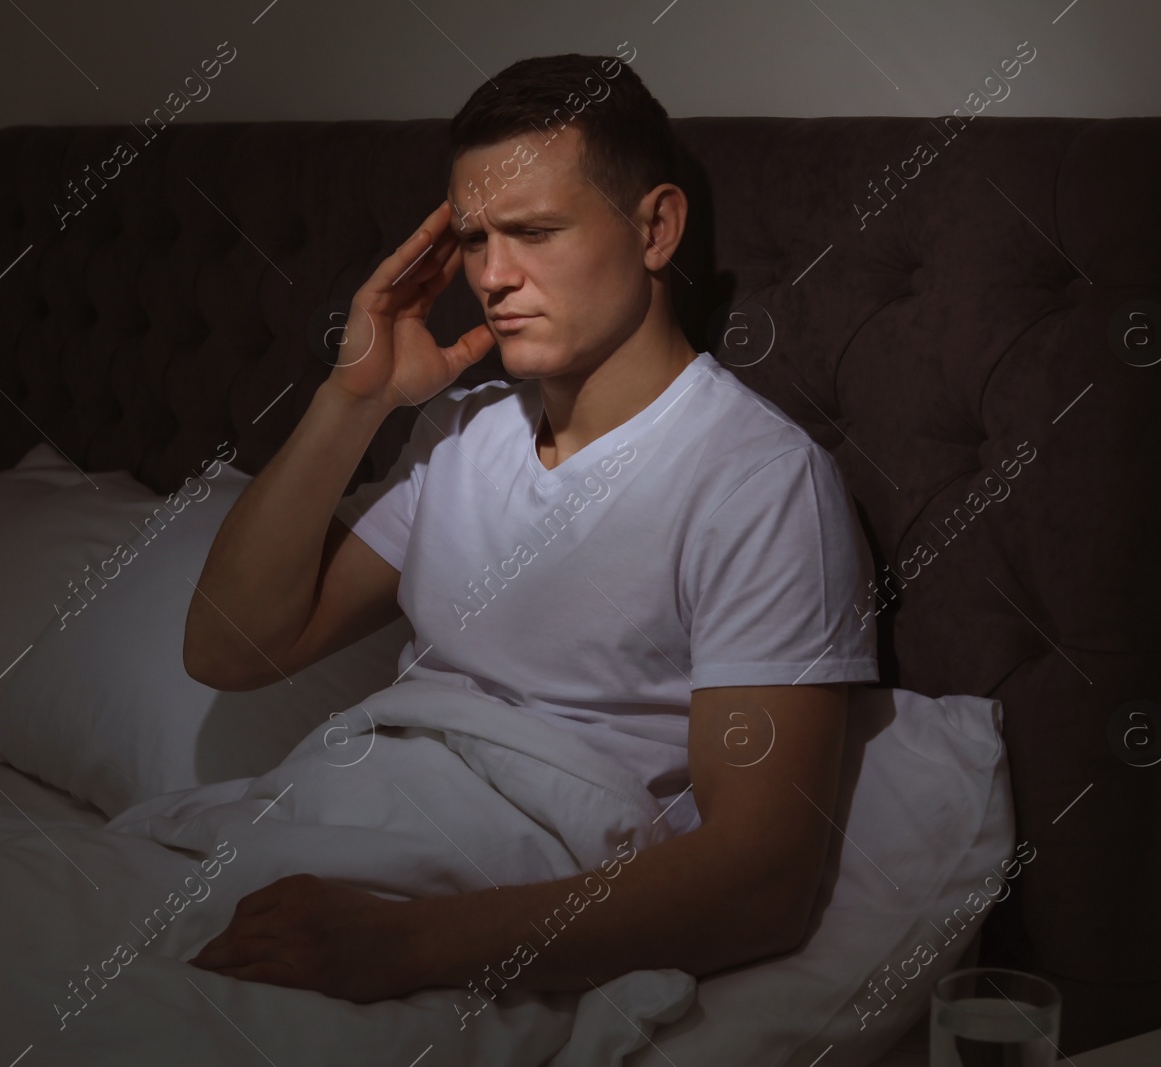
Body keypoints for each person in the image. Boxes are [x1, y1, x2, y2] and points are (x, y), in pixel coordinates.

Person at [179, 52, 879, 1006]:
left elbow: (762, 883)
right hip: (337, 818)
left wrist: (398, 944)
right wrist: (352, 401)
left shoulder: (757, 483)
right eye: (472, 240)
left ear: (656, 228)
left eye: (535, 232)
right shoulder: (459, 433)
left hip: (473, 906)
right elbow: (229, 646)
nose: (494, 276)